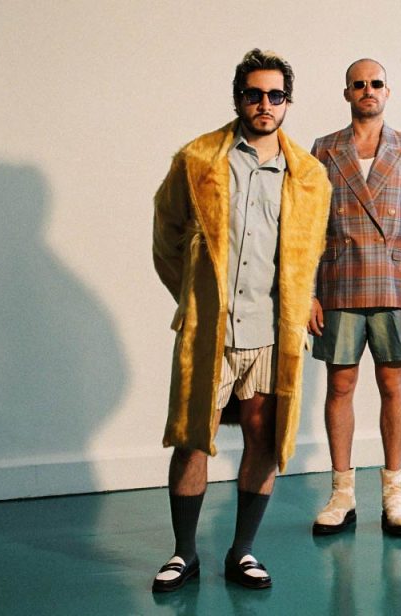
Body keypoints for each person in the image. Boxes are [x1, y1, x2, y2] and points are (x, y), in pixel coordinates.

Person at [151, 48, 331, 592]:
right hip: (210, 329)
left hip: (271, 333)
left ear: (288, 102)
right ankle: (184, 553)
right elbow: (166, 240)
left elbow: (309, 254)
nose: (264, 104)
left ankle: (243, 551)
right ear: (238, 98)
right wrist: (195, 298)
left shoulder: (310, 176)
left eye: (276, 95)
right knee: (192, 438)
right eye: (254, 94)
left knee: (263, 435)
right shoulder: (198, 159)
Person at [309, 58, 401, 537]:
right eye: (358, 84)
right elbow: (309, 226)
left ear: (388, 91)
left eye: (376, 83)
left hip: (394, 284)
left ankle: (394, 493)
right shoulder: (324, 148)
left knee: (393, 385)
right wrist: (307, 293)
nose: (368, 90)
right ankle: (341, 493)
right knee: (339, 386)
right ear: (347, 93)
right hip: (339, 282)